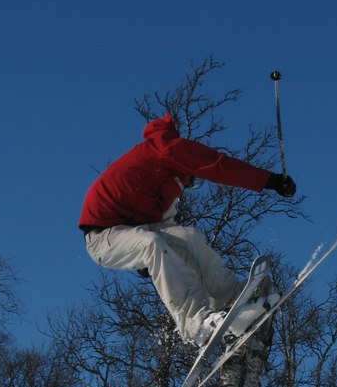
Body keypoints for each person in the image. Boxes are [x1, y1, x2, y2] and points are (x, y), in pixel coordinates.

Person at [79, 112, 296, 346]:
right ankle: (195, 323)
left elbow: (170, 233)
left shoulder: (167, 186)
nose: (191, 184)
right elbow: (219, 166)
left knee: (188, 238)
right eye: (195, 179)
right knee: (151, 243)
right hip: (101, 236)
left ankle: (233, 297)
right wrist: (268, 180)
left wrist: (155, 260)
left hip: (133, 231)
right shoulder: (165, 149)